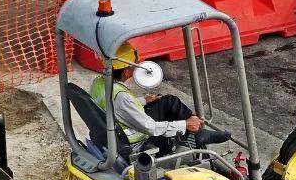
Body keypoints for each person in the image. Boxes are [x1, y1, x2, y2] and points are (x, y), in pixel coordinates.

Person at [90, 43, 229, 159]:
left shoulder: (98, 83)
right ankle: (194, 130)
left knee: (168, 101)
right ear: (126, 71)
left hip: (117, 127)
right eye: (133, 67)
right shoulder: (122, 97)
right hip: (137, 142)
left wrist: (144, 100)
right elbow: (151, 128)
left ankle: (197, 129)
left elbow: (116, 107)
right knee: (176, 119)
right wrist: (184, 124)